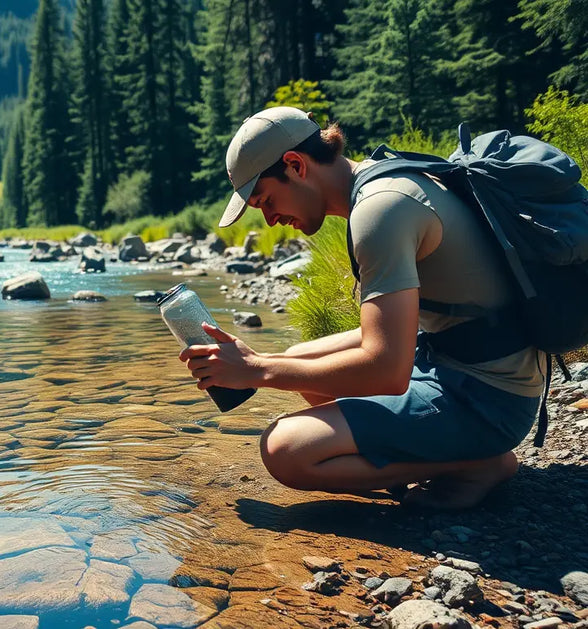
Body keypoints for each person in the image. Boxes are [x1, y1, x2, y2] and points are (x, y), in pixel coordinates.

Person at [179, 106, 546, 509]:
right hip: (458, 358)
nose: (268, 220)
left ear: (295, 165)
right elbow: (397, 335)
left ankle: (476, 463)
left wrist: (258, 370)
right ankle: (448, 451)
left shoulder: (380, 212)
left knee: (284, 449)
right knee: (299, 360)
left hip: (490, 398)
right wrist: (262, 360)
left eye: (265, 200)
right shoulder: (383, 178)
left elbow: (387, 371)